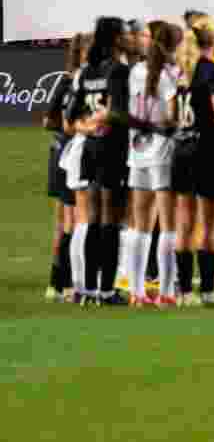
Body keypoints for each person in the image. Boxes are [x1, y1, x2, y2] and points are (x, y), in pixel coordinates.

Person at [64, 17, 133, 306]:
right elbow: (117, 113)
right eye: (126, 34)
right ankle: (106, 290)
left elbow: (69, 116)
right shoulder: (119, 71)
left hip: (91, 149)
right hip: (112, 150)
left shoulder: (85, 71)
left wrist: (87, 126)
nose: (129, 38)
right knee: (110, 221)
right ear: (116, 39)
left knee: (93, 219)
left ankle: (88, 290)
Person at [172, 15, 214, 308]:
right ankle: (207, 291)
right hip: (205, 153)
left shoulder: (182, 70)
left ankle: (183, 292)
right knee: (208, 225)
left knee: (183, 222)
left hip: (180, 152)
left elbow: (171, 114)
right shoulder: (212, 70)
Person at [124, 21, 181, 306]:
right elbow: (172, 116)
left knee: (140, 223)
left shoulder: (136, 70)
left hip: (137, 149)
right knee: (169, 224)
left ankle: (136, 292)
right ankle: (167, 292)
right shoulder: (171, 74)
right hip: (162, 152)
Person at [43, 33, 90, 302]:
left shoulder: (64, 81)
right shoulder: (80, 82)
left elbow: (48, 121)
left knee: (64, 221)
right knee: (73, 220)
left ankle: (56, 284)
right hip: (74, 153)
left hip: (59, 151)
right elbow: (59, 122)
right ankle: (70, 284)